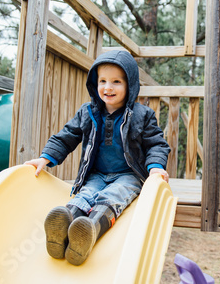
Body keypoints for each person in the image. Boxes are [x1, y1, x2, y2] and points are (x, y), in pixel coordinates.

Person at [25, 50, 170, 266]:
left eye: (116, 82)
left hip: (127, 175)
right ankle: (62, 228)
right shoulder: (88, 112)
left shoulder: (142, 115)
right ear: (95, 83)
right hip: (97, 174)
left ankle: (90, 231)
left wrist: (155, 167)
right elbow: (67, 136)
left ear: (130, 85)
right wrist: (45, 157)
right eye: (102, 80)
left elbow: (156, 143)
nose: (108, 87)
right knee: (86, 194)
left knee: (114, 195)